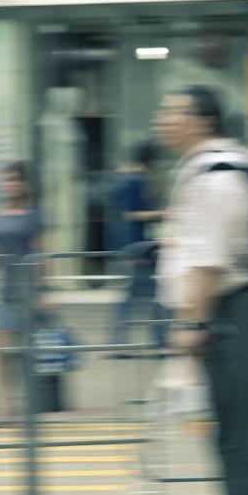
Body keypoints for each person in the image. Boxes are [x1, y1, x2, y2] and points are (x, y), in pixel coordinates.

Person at [152, 85, 248, 495]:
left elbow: (210, 261)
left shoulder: (219, 174)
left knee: (239, 428)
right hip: (230, 311)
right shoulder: (210, 168)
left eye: (173, 112)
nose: (162, 119)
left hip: (231, 311)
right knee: (234, 426)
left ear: (204, 121)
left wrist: (193, 323)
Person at [0, 162, 46, 423]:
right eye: (6, 180)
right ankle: (2, 408)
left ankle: (27, 408)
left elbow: (41, 255)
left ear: (24, 184)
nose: (9, 185)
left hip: (27, 291)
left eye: (14, 180)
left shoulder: (34, 214)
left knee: (26, 354)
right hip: (3, 290)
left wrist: (43, 291)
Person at [106, 140, 168, 358]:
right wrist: (164, 214)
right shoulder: (134, 181)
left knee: (134, 297)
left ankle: (120, 343)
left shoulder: (124, 179)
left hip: (132, 245)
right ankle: (159, 342)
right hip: (136, 247)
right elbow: (131, 214)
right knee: (154, 295)